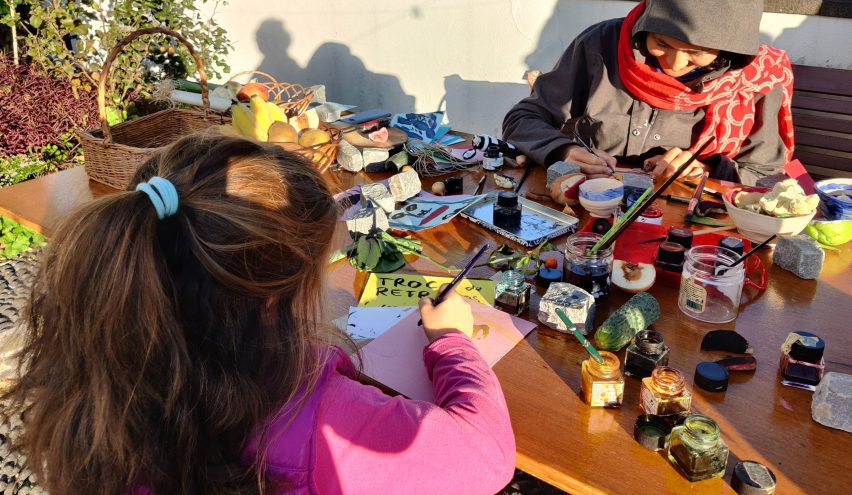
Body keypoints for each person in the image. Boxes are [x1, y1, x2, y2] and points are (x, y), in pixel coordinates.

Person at [3, 133, 515, 495]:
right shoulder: (316, 418)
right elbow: (488, 458)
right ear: (277, 294)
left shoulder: (99, 371)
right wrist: (453, 343)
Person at [503, 0, 795, 185]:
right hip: (593, 202)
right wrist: (563, 151)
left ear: (728, 47)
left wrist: (704, 168)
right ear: (647, 25)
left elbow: (765, 175)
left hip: (686, 225)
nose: (674, 64)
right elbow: (524, 118)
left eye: (696, 53)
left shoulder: (755, 81)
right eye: (662, 43)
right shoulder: (602, 45)